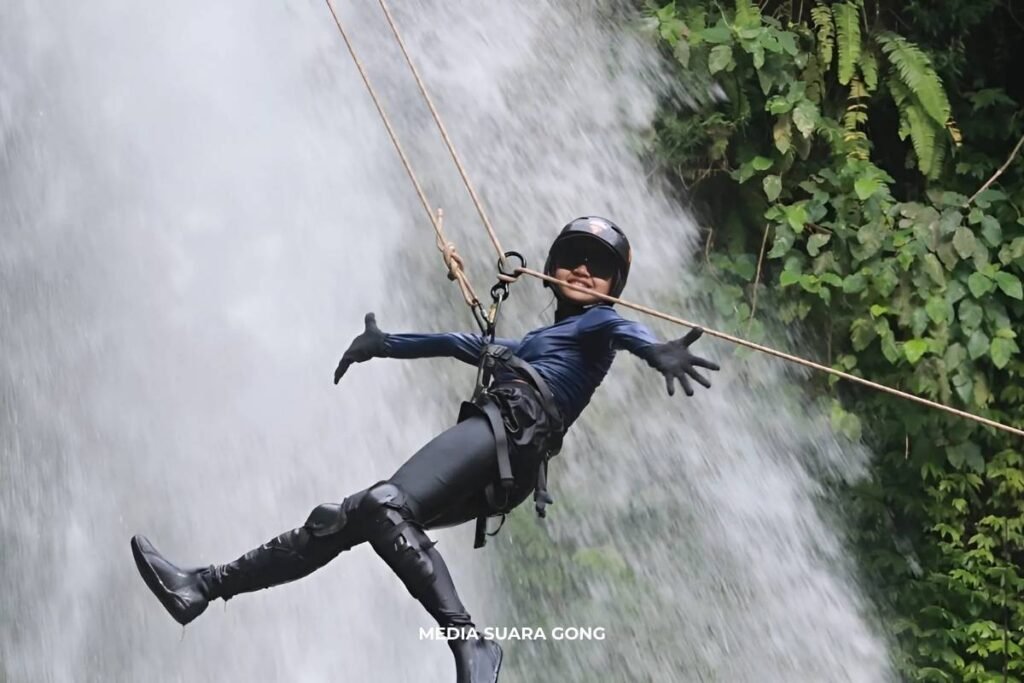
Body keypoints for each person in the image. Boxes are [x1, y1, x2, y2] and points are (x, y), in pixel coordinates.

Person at [130, 216, 720, 683]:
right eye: (573, 259)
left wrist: (659, 350)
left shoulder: (599, 327)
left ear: (616, 287)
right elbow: (463, 342)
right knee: (347, 516)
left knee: (385, 502)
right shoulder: (541, 340)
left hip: (511, 430)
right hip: (505, 452)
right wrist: (385, 343)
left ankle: (472, 644)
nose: (584, 270)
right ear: (552, 270)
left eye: (602, 268)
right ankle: (204, 586)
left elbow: (626, 332)